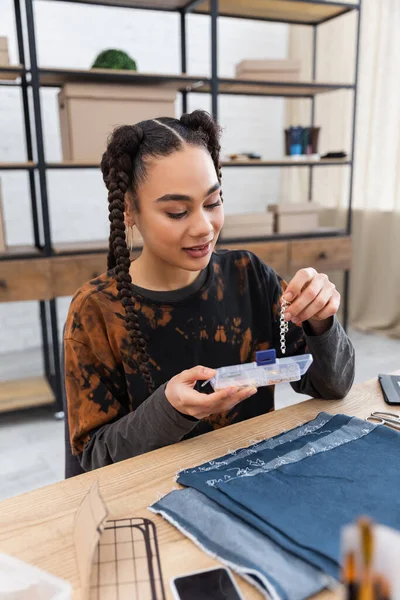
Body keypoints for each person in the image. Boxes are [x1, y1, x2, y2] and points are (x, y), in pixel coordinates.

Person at [64, 110, 355, 472]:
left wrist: (322, 324)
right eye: (176, 212)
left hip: (255, 482)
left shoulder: (248, 276)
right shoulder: (96, 311)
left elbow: (334, 385)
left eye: (213, 203)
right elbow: (92, 459)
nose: (204, 228)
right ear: (129, 210)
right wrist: (169, 410)